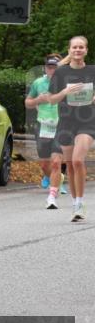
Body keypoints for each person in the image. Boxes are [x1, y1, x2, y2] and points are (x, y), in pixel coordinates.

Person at [47, 36, 95, 221]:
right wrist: (65, 92)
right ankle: (76, 204)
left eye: (81, 47)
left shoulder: (92, 71)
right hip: (66, 122)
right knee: (71, 165)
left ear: (86, 50)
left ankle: (81, 203)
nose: (78, 50)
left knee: (77, 161)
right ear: (69, 50)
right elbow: (51, 99)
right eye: (75, 47)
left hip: (87, 121)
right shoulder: (60, 73)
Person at [26, 54, 67, 209]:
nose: (52, 70)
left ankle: (52, 196)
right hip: (43, 126)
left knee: (56, 162)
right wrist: (37, 100)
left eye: (55, 67)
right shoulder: (38, 83)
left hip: (61, 126)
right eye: (49, 67)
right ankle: (58, 179)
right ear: (45, 68)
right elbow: (28, 103)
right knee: (44, 165)